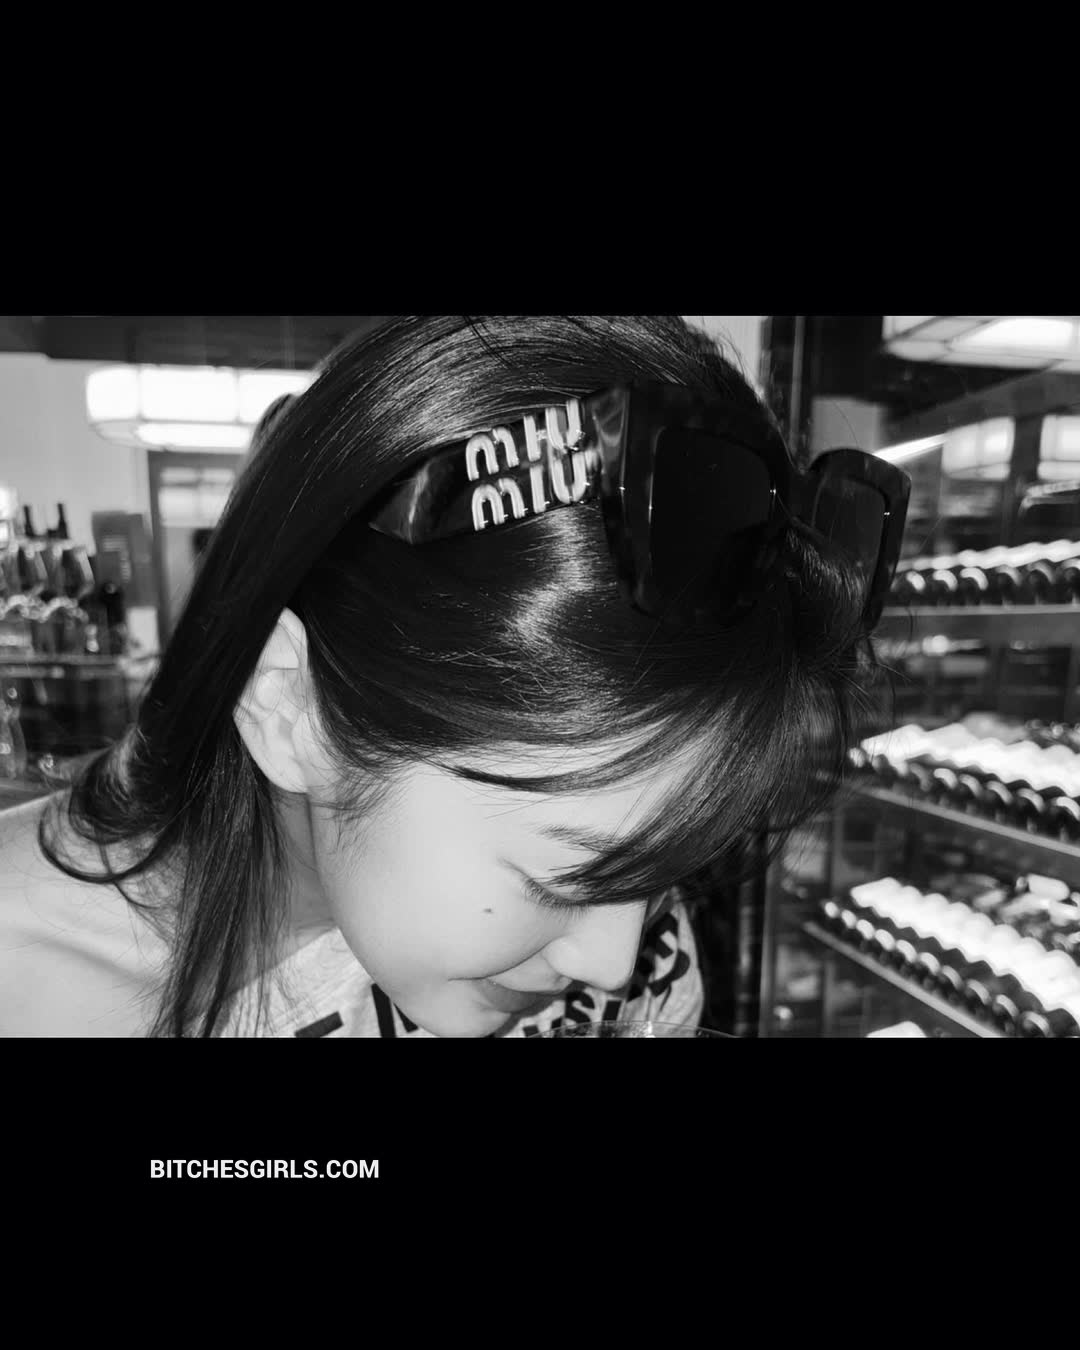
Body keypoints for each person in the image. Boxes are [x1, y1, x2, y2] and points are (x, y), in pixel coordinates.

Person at [0, 316, 904, 1038]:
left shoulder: (629, 925)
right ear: (285, 704)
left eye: (671, 859)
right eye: (561, 882)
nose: (615, 966)